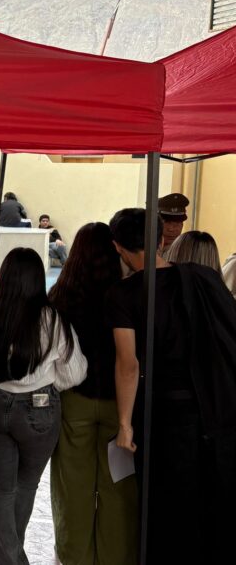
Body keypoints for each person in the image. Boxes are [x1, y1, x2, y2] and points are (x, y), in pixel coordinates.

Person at [108, 208, 236, 563]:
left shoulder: (125, 293)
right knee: (208, 500)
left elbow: (128, 364)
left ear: (118, 246)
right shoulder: (204, 277)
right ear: (163, 238)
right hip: (212, 408)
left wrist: (124, 424)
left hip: (163, 413)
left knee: (166, 506)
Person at [0, 247, 86, 565]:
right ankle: (10, 559)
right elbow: (75, 372)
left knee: (0, 489)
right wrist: (48, 384)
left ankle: (1, 558)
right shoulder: (52, 319)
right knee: (26, 485)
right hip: (39, 408)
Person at [49, 223, 139, 565]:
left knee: (72, 488)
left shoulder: (61, 296)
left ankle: (74, 558)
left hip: (74, 402)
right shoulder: (128, 294)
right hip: (122, 405)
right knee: (119, 489)